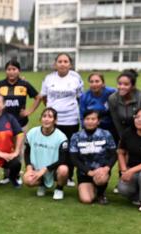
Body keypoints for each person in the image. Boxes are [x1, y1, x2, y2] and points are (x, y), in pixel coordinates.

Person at [27, 53, 83, 187]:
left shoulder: (76, 77)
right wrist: (51, 112)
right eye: (60, 61)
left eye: (65, 61)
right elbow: (44, 97)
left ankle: (67, 176)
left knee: (68, 149)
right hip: (52, 120)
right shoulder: (49, 78)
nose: (62, 64)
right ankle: (47, 175)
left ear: (70, 64)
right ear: (55, 64)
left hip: (70, 119)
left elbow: (80, 97)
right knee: (51, 148)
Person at [0, 59, 39, 185]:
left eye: (14, 69)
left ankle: (16, 175)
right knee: (5, 148)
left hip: (21, 123)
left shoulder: (24, 84)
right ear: (5, 71)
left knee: (19, 150)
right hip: (3, 124)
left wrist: (29, 111)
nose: (11, 72)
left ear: (19, 71)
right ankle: (6, 175)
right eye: (9, 69)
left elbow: (38, 97)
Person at [69, 110, 117, 205]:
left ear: (98, 121)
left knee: (100, 179)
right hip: (84, 173)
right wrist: (88, 171)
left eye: (93, 119)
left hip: (101, 171)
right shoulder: (76, 136)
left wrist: (107, 168)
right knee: (87, 200)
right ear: (83, 121)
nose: (90, 121)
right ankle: (90, 187)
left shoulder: (106, 134)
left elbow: (114, 154)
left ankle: (101, 194)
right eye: (87, 119)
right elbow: (74, 158)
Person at [22, 107, 69, 200]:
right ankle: (42, 184)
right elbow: (27, 152)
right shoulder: (32, 132)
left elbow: (62, 160)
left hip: (53, 170)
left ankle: (59, 189)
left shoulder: (61, 137)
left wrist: (44, 170)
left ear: (55, 121)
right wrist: (29, 168)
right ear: (40, 119)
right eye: (44, 116)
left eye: (50, 117)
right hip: (37, 169)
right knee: (27, 180)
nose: (46, 119)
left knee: (64, 170)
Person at [108, 69, 141, 143]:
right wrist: (124, 139)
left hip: (140, 131)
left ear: (133, 86)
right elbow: (116, 122)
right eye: (119, 84)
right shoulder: (113, 99)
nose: (121, 87)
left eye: (126, 84)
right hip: (122, 133)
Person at [79, 72, 116, 137]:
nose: (94, 84)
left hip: (111, 128)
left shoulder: (112, 92)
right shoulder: (84, 97)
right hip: (93, 129)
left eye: (97, 81)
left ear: (103, 83)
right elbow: (82, 117)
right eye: (91, 82)